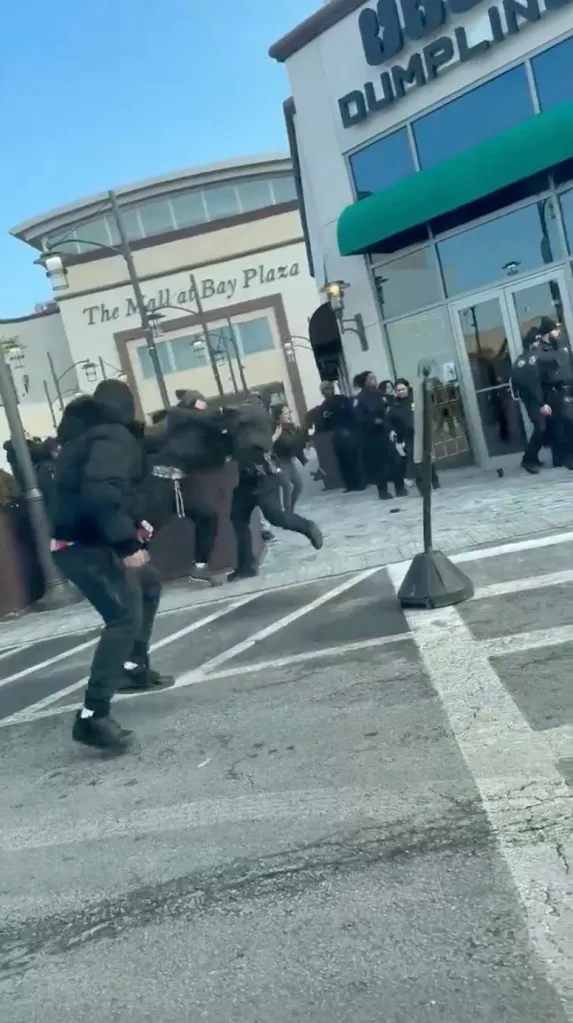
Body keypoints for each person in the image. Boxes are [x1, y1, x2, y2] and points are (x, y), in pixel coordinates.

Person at [48, 379, 171, 754]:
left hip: (88, 542)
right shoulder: (111, 438)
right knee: (121, 619)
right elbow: (101, 492)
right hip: (84, 546)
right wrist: (127, 543)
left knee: (148, 585)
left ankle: (133, 667)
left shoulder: (92, 438)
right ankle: (92, 717)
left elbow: (117, 487)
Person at [223, 392, 323, 580]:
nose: (245, 403)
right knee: (237, 518)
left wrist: (221, 412)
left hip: (262, 476)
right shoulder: (246, 424)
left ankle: (308, 527)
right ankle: (246, 567)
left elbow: (237, 414)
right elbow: (231, 436)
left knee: (276, 517)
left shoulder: (256, 411)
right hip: (247, 477)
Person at [145, 390, 227, 585]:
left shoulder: (199, 425)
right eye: (202, 401)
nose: (205, 405)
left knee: (206, 516)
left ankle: (199, 567)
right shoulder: (176, 420)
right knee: (148, 525)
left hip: (175, 484)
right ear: (193, 403)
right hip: (159, 480)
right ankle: (126, 569)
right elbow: (152, 438)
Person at [511, 318, 573, 473]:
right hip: (537, 397)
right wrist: (541, 403)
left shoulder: (546, 352)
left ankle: (553, 458)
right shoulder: (533, 357)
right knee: (542, 428)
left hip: (547, 395)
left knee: (554, 425)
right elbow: (533, 381)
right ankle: (529, 460)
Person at [353, 371, 406, 499]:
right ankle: (382, 491)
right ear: (364, 382)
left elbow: (389, 409)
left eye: (375, 378)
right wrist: (372, 421)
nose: (374, 380)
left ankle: (400, 488)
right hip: (372, 436)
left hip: (387, 432)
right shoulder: (360, 399)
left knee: (395, 460)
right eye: (371, 378)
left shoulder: (382, 396)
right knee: (380, 465)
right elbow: (359, 418)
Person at [306, 381, 365, 492]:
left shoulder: (342, 399)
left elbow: (352, 414)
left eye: (328, 389)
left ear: (332, 389)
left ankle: (360, 484)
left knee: (353, 459)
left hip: (348, 432)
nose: (326, 392)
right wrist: (324, 418)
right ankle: (350, 485)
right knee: (342, 461)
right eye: (324, 390)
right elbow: (322, 423)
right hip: (335, 434)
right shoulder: (324, 405)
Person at [390, 378, 440, 493]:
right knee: (415, 462)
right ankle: (422, 486)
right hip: (408, 436)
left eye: (403, 389)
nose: (401, 392)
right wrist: (396, 434)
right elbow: (391, 421)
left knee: (427, 458)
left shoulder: (416, 399)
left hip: (421, 432)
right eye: (398, 390)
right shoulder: (395, 405)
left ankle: (434, 480)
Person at [272, 404, 307, 514]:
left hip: (289, 461)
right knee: (287, 486)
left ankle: (290, 510)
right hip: (278, 462)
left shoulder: (291, 428)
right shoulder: (273, 428)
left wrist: (304, 461)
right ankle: (287, 513)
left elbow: (297, 445)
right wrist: (276, 435)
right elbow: (267, 445)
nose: (289, 416)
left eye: (289, 413)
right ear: (278, 416)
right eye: (286, 413)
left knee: (299, 486)